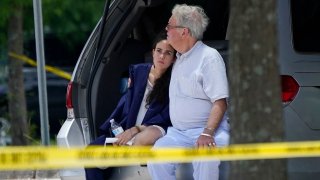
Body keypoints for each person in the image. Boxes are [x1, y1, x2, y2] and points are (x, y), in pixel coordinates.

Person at [147, 4, 230, 180]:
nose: (166, 29)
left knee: (206, 156)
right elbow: (155, 68)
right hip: (178, 134)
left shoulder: (209, 57)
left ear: (184, 32)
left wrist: (207, 133)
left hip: (208, 131)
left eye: (170, 26)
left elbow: (220, 102)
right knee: (157, 155)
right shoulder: (177, 58)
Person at [85, 32, 176, 180]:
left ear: (173, 59)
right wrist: (121, 131)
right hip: (128, 128)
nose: (162, 56)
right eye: (159, 51)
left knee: (142, 139)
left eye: (168, 53)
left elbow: (165, 116)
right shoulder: (138, 72)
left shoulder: (174, 82)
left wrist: (136, 130)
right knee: (92, 152)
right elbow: (126, 106)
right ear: (153, 52)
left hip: (152, 130)